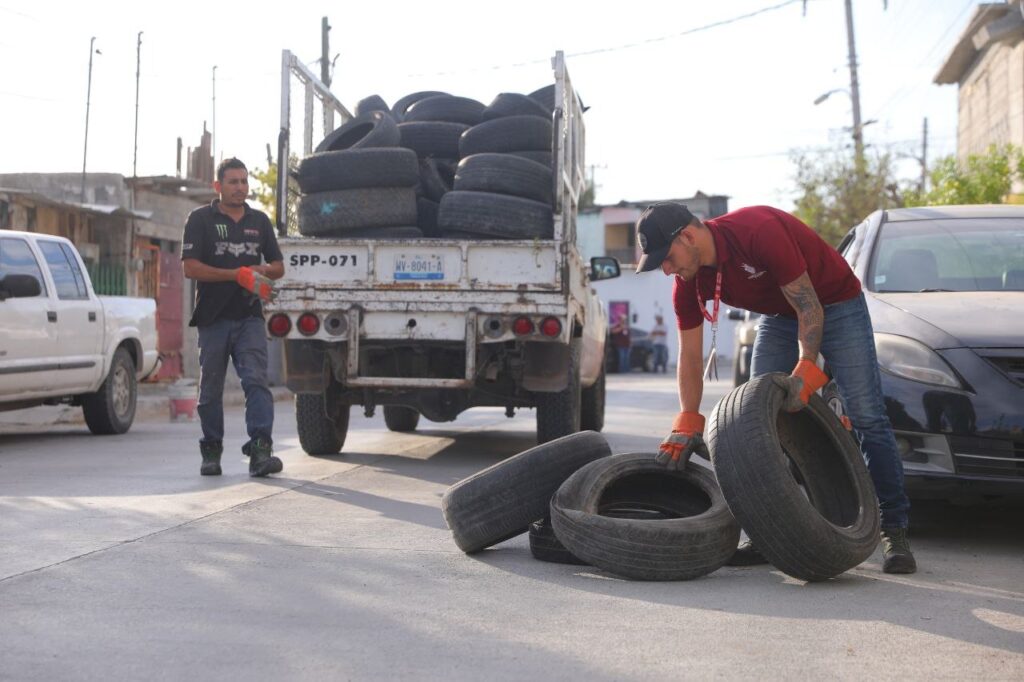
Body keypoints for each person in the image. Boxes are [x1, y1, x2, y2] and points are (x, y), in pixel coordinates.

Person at [634, 201, 916, 575]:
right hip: (781, 316)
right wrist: (688, 419)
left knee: (866, 415)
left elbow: (810, 306)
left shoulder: (757, 230)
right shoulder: (688, 281)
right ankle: (769, 532)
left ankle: (893, 529)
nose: (667, 270)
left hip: (835, 302)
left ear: (688, 235)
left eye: (667, 258)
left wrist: (805, 369)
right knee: (756, 417)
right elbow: (689, 355)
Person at [181, 158, 285, 478]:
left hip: (250, 316)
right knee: (210, 388)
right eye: (233, 182)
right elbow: (190, 268)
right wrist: (234, 274)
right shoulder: (201, 219)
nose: (240, 188)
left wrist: (262, 272)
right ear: (218, 186)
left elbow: (278, 266)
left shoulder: (259, 221)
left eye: (244, 181)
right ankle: (211, 451)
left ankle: (260, 451)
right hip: (213, 318)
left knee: (256, 381)